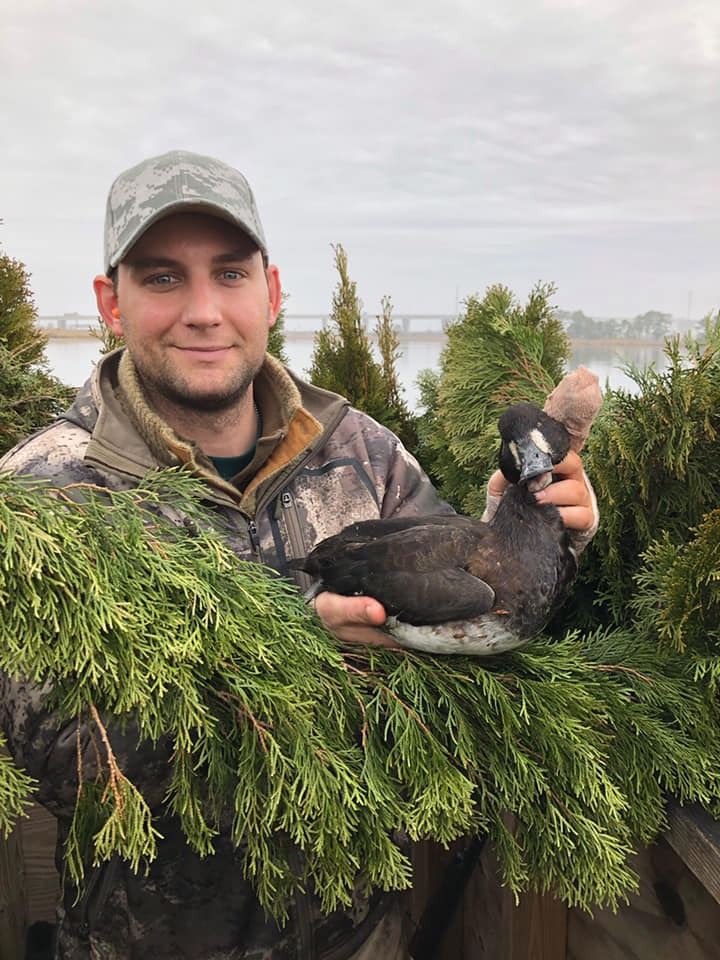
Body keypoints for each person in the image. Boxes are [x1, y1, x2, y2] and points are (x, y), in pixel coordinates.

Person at [0, 150, 597, 959]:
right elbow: (56, 755)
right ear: (112, 303)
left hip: (361, 940)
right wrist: (299, 647)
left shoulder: (366, 453)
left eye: (231, 274)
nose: (204, 311)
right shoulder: (40, 497)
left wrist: (542, 531)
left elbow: (475, 627)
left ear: (272, 293)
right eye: (163, 278)